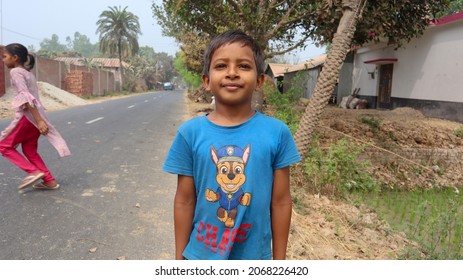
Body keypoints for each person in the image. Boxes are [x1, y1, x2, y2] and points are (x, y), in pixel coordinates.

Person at [162, 30, 301, 260]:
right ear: (206, 81)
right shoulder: (190, 134)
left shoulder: (277, 133)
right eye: (221, 66)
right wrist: (179, 262)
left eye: (244, 66)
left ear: (259, 81)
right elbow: (185, 201)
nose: (232, 73)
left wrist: (280, 263)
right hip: (200, 257)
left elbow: (281, 201)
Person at [0, 43, 71, 190]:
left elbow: (26, 97)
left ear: (15, 57)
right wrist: (39, 120)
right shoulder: (28, 72)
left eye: (4, 57)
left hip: (29, 117)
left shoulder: (16, 72)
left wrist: (38, 121)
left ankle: (33, 172)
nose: (3, 60)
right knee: (29, 151)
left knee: (4, 146)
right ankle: (49, 181)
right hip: (37, 117)